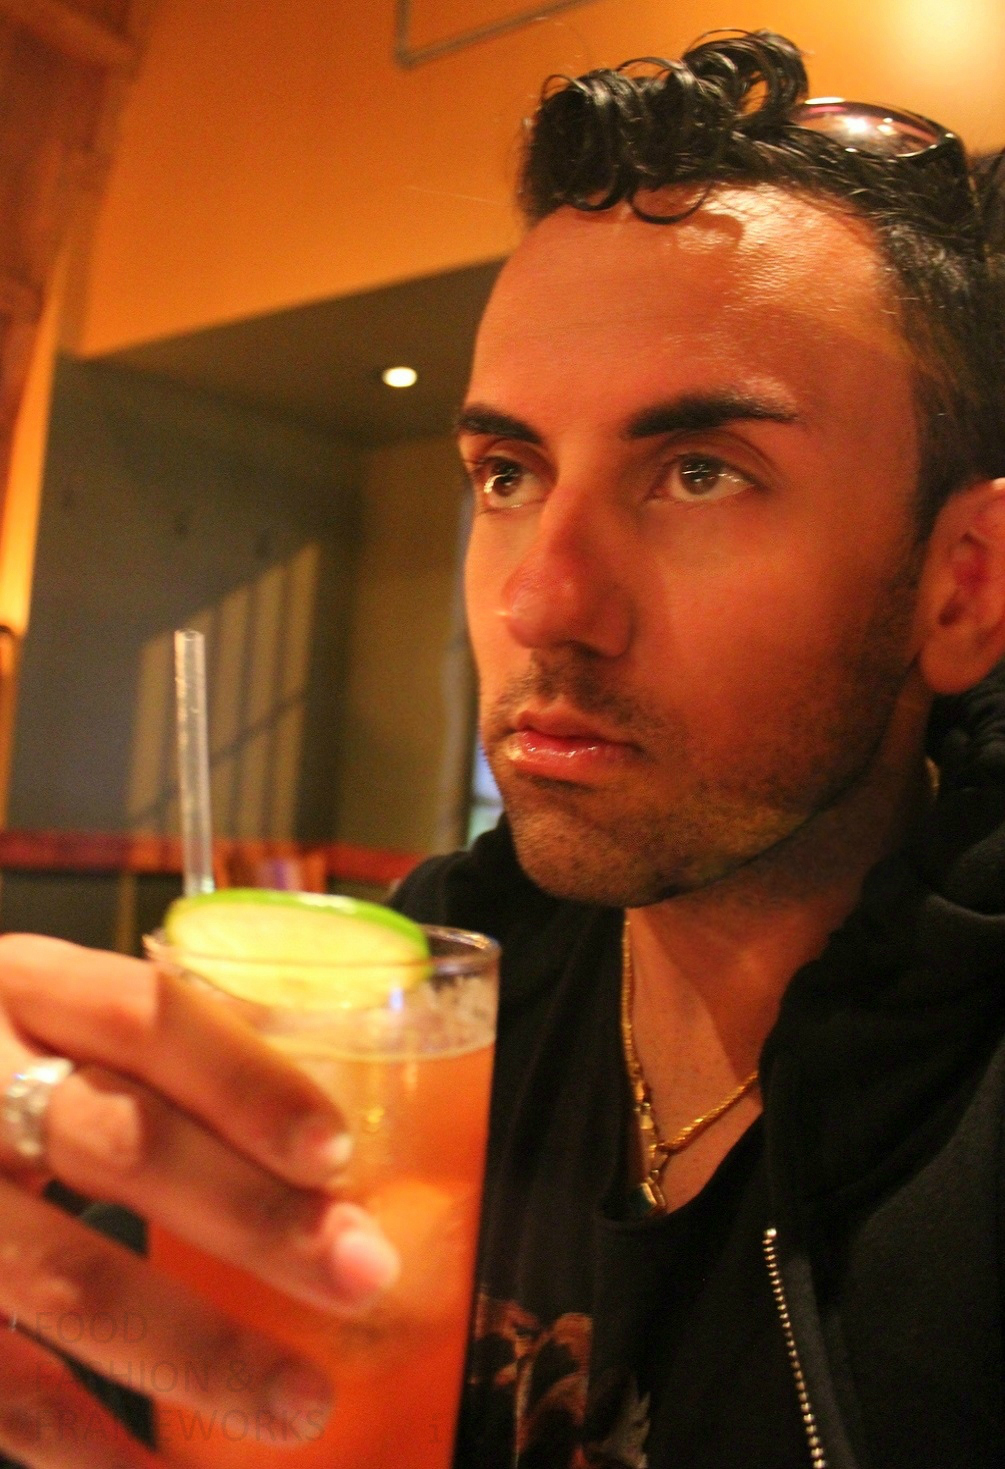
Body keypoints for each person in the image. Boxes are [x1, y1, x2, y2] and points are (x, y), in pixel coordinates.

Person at [1, 27, 1004, 1469]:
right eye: (509, 473)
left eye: (701, 472)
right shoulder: (417, 1006)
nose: (541, 600)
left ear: (962, 588)